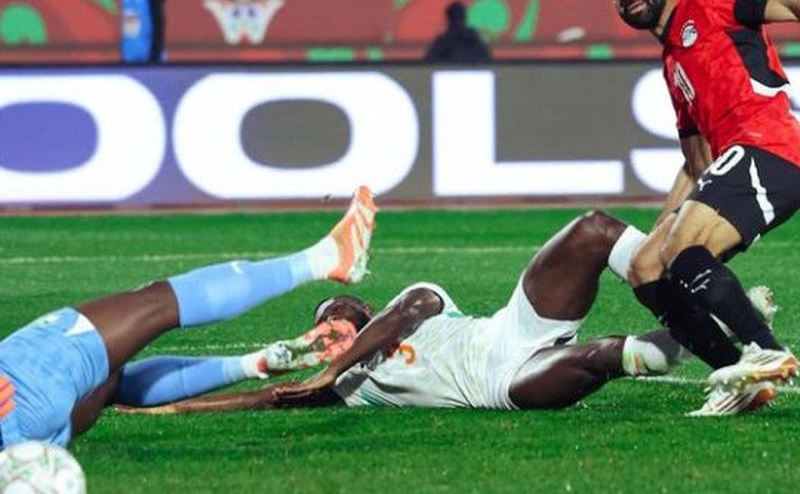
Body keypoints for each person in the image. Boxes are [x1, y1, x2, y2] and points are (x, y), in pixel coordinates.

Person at [120, 212, 776, 417]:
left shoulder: (415, 300)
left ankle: (690, 301)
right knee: (606, 354)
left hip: (511, 329)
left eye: (341, 307)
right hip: (501, 385)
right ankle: (713, 340)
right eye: (328, 317)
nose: (336, 317)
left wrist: (331, 368)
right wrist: (170, 411)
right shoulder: (344, 388)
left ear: (361, 308)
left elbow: (399, 314)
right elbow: (265, 398)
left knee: (594, 230)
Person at [0, 187, 377, 450]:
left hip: (24, 439)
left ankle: (255, 363)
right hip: (22, 385)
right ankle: (325, 259)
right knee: (156, 304)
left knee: (109, 382)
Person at [600, 0, 800, 410]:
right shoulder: (672, 63)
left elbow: (788, 7)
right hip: (736, 160)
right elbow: (695, 163)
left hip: (769, 147)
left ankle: (766, 347)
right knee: (646, 266)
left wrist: (675, 232)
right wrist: (664, 224)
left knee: (682, 247)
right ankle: (744, 380)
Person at [424, 1, 492, 63]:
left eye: (458, 17)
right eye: (455, 17)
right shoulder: (440, 45)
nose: (457, 22)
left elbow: (487, 63)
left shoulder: (475, 42)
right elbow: (428, 65)